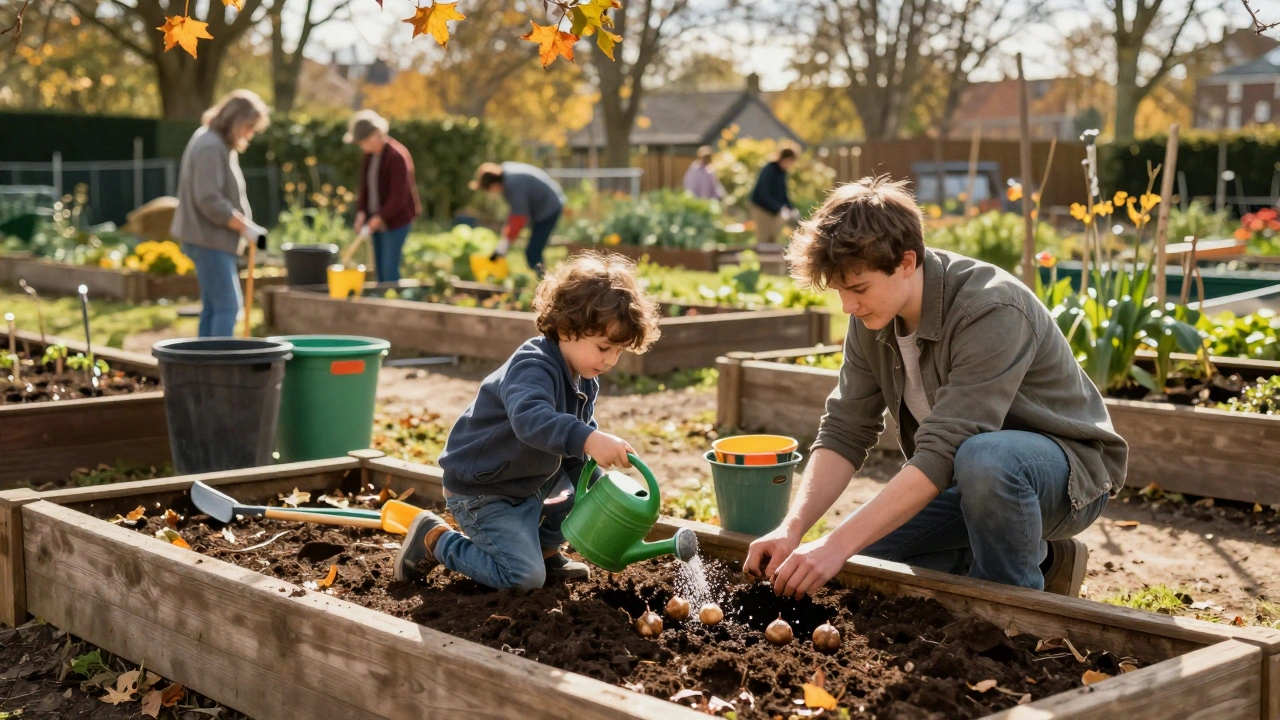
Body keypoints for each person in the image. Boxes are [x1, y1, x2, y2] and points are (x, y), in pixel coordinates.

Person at [743, 176, 1127, 599]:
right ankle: (1048, 560)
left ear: (907, 262)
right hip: (968, 483)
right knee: (863, 563)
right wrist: (792, 530)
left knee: (985, 457)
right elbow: (844, 429)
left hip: (1065, 479)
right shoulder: (871, 318)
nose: (847, 306)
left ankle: (1015, 615)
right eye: (839, 291)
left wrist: (834, 545)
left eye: (858, 289)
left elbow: (947, 447)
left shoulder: (991, 308)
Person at [393, 252, 662, 590]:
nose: (610, 360)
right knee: (523, 578)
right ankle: (434, 539)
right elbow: (532, 420)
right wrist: (589, 440)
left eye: (619, 351)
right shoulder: (532, 365)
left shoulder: (584, 376)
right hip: (484, 490)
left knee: (587, 490)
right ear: (566, 329)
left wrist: (598, 485)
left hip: (528, 482)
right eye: (604, 347)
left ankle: (547, 551)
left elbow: (572, 451)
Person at [170, 90, 271, 338]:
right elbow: (209, 199)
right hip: (209, 240)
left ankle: (204, 365)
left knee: (214, 308)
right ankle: (220, 366)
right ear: (236, 121)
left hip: (210, 240)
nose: (251, 133)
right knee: (228, 306)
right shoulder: (210, 146)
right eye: (249, 126)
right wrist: (245, 227)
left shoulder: (215, 142)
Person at [347, 110, 421, 283]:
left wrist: (380, 217)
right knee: (379, 271)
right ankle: (381, 305)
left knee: (389, 270)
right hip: (376, 221)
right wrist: (361, 213)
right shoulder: (369, 157)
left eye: (363, 141)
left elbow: (398, 197)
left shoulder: (397, 156)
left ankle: (394, 304)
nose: (361, 146)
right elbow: (365, 188)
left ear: (375, 134)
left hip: (396, 222)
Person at [471, 161, 566, 275]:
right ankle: (544, 281)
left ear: (493, 185)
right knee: (534, 249)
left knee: (533, 252)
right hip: (545, 205)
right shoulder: (506, 172)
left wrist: (506, 241)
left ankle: (545, 284)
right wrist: (506, 237)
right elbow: (515, 213)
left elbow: (519, 217)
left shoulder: (512, 184)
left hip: (549, 208)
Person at [748, 146, 798, 244]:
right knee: (764, 239)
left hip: (773, 210)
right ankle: (763, 259)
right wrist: (778, 207)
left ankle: (770, 259)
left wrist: (790, 208)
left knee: (772, 238)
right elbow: (763, 192)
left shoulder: (782, 172)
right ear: (785, 159)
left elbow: (783, 193)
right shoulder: (770, 169)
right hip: (761, 208)